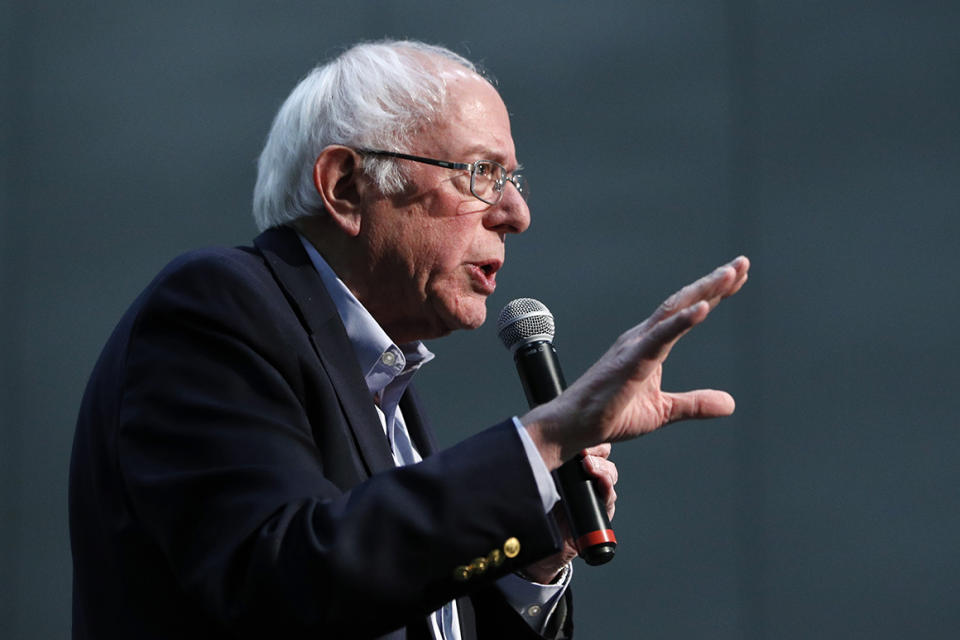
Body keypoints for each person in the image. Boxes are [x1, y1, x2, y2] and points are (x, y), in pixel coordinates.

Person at [69, 40, 749, 640]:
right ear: (345, 186)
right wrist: (544, 440)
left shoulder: (381, 381)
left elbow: (381, 602)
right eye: (483, 174)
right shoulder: (216, 307)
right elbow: (282, 583)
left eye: (514, 181)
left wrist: (532, 565)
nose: (517, 213)